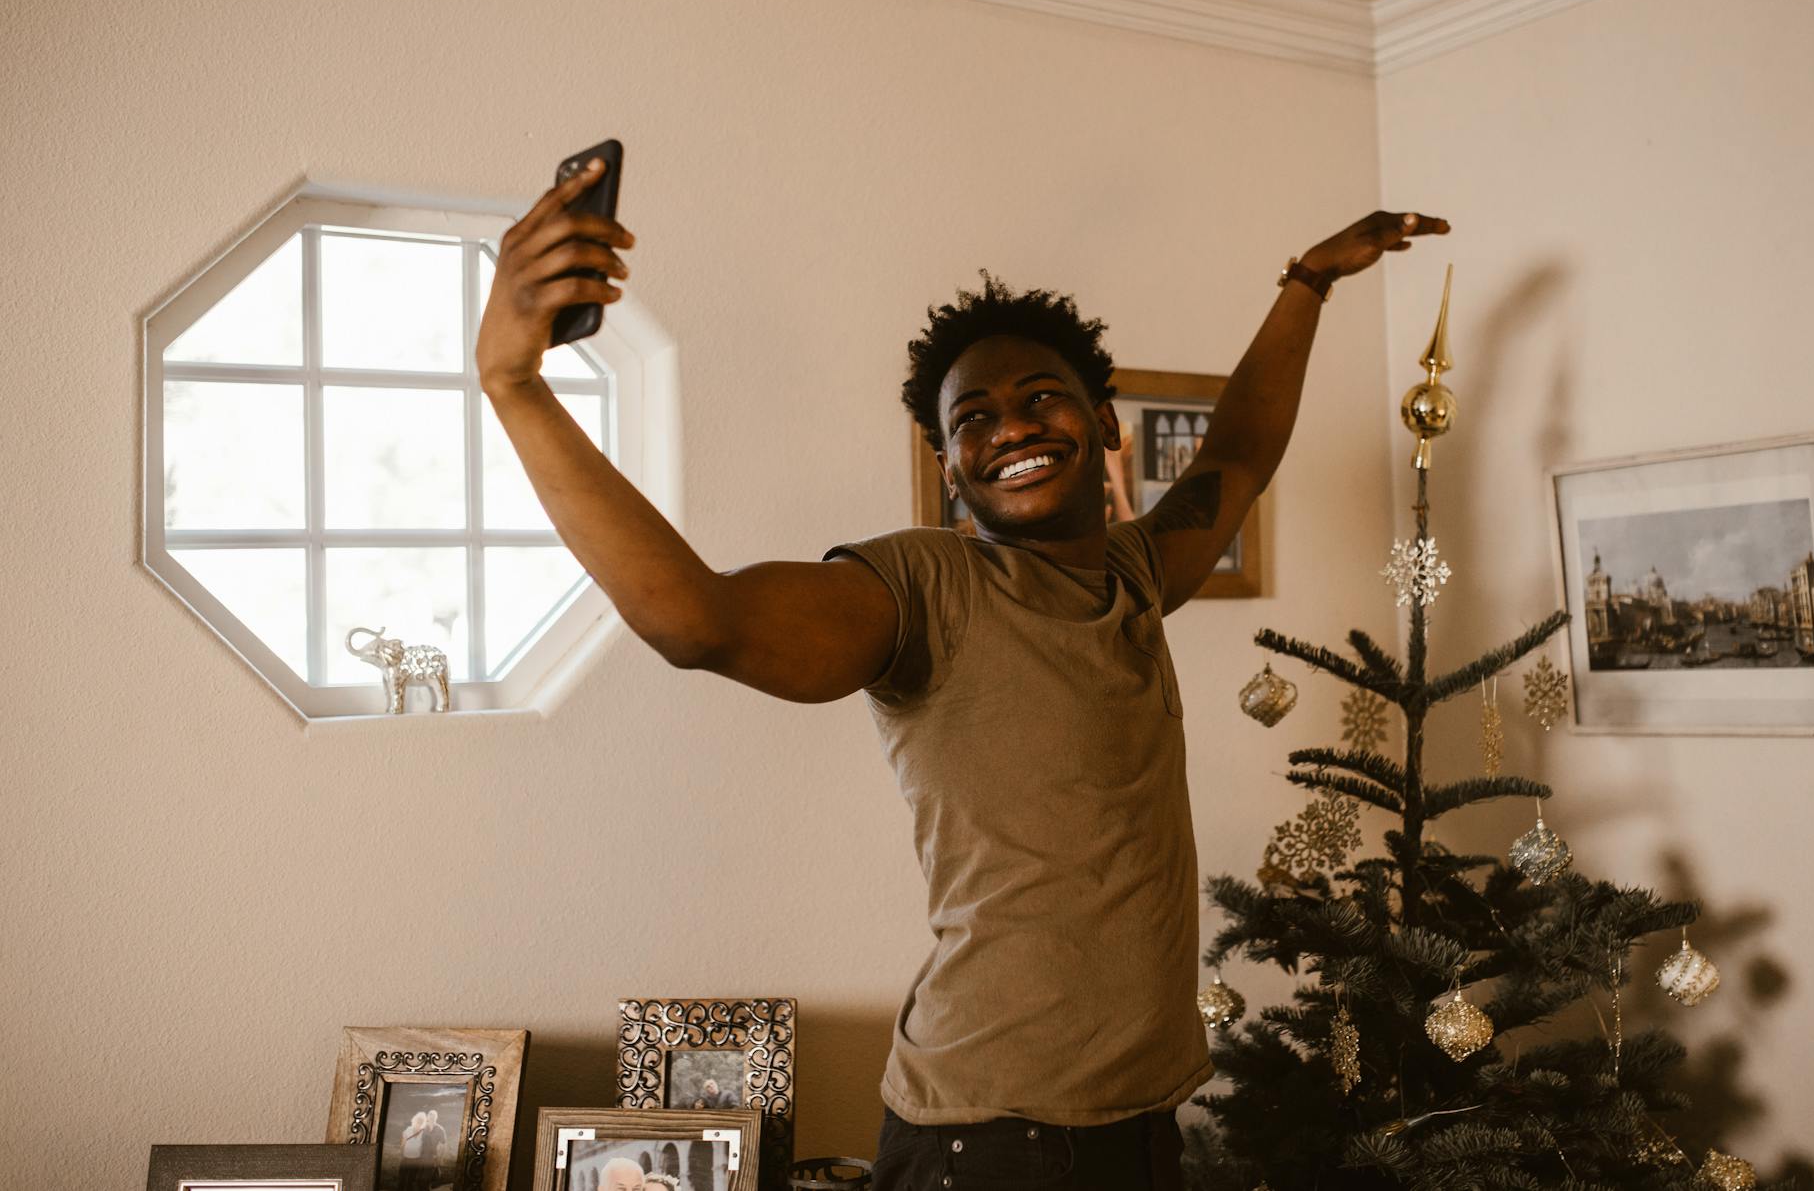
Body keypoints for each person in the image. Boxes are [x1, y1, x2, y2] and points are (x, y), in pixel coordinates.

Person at [476, 158, 1447, 1189]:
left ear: (1105, 428)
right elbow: (696, 622)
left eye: (1040, 399)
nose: (1012, 427)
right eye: (972, 420)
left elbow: (1240, 453)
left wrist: (1306, 280)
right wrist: (515, 383)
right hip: (990, 1142)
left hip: (1136, 1121)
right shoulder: (921, 587)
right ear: (949, 468)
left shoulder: (1134, 574)